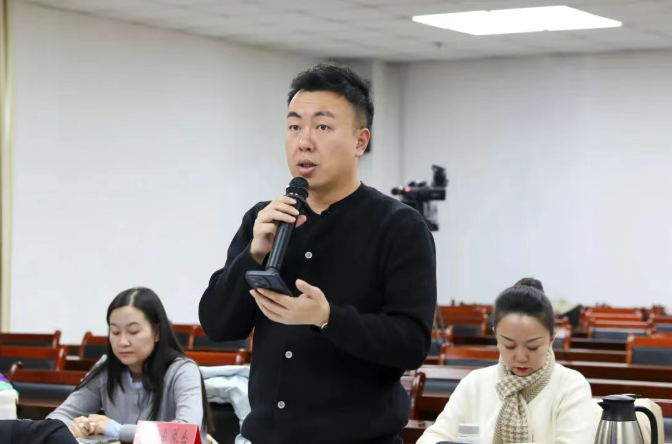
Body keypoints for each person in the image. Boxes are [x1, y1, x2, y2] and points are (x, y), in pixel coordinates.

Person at [199, 62, 437, 444]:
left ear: (360, 142)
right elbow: (217, 325)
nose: (304, 142)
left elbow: (411, 344)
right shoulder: (265, 220)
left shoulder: (399, 227)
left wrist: (327, 318)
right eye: (294, 127)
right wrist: (254, 254)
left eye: (322, 127)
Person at [417, 282, 595, 444]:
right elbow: (432, 438)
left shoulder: (570, 386)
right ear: (496, 336)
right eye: (509, 345)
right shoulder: (474, 384)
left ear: (551, 339)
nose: (521, 357)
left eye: (532, 347)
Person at [48, 287, 211, 444]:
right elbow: (56, 418)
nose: (123, 342)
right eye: (115, 332)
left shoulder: (182, 370)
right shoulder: (106, 368)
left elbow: (187, 434)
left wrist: (118, 430)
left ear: (157, 332)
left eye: (133, 332)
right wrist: (75, 426)